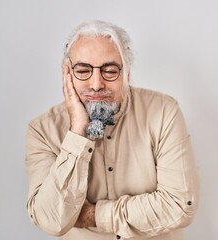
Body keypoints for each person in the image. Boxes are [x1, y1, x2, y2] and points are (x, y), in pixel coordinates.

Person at [25, 19, 200, 240]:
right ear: (67, 75)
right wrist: (77, 132)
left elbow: (180, 205)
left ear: (127, 73)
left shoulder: (164, 112)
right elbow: (51, 220)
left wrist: (93, 215)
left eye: (109, 70)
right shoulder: (42, 131)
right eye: (83, 71)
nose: (97, 84)